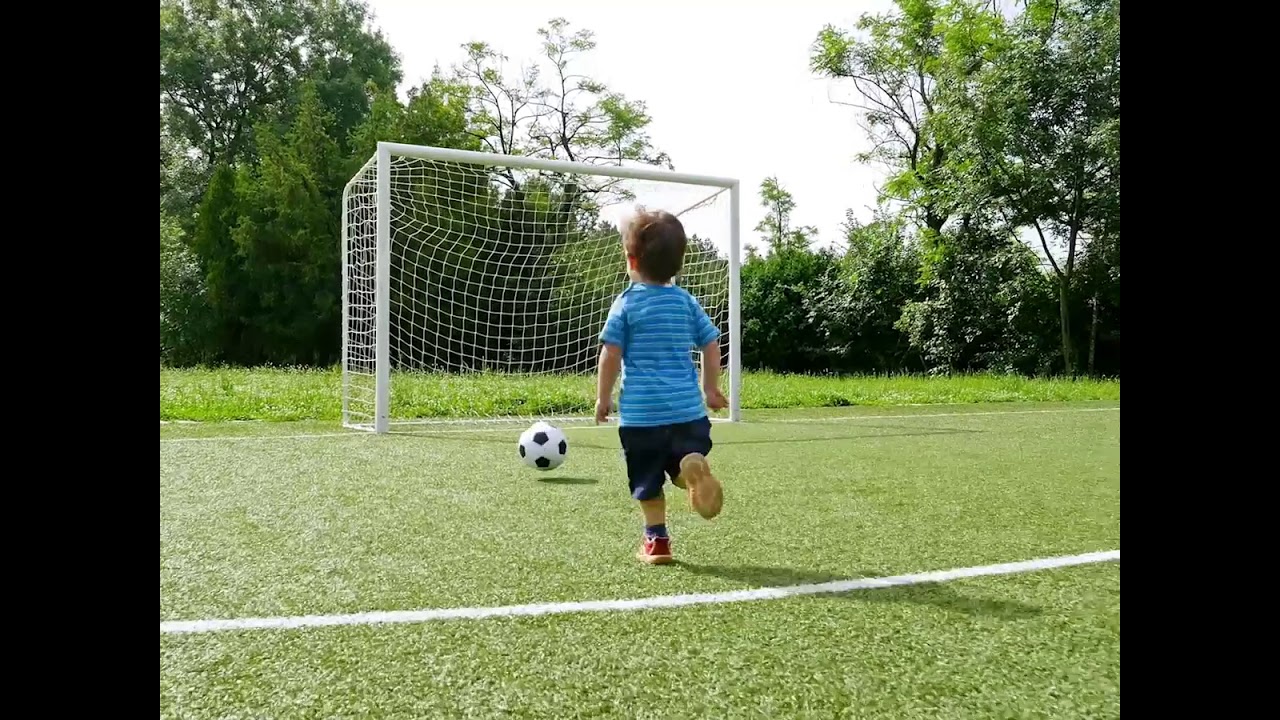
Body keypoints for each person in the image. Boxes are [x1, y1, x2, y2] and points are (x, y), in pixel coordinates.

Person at [595, 208, 727, 565]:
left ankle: (657, 543)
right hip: (687, 412)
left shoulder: (625, 304)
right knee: (677, 461)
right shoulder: (685, 302)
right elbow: (711, 343)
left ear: (631, 259)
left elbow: (610, 354)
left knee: (647, 482)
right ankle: (688, 467)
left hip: (642, 416)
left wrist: (603, 398)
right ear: (679, 264)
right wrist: (710, 390)